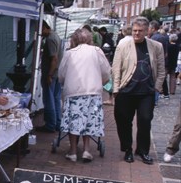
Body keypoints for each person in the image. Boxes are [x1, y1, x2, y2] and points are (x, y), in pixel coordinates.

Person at [112, 16, 166, 164]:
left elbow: (161, 70)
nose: (136, 34)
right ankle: (127, 149)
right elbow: (116, 68)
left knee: (145, 120)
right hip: (126, 91)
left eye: (140, 31)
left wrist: (157, 87)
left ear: (147, 31)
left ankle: (142, 150)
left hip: (146, 92)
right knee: (123, 120)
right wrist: (115, 90)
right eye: (134, 30)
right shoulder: (123, 45)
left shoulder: (156, 46)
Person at [58, 28, 111, 162]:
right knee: (88, 120)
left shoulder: (69, 53)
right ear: (89, 39)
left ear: (74, 40)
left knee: (73, 121)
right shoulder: (97, 51)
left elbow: (61, 74)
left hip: (74, 92)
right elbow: (106, 71)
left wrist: (64, 81)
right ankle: (87, 150)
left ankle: (73, 151)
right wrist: (101, 81)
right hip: (92, 91)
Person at [37, 20, 62, 133]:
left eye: (40, 30)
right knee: (56, 99)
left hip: (52, 73)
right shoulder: (56, 36)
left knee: (49, 99)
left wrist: (49, 75)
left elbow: (54, 58)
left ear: (45, 28)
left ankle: (51, 124)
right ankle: (57, 123)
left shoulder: (50, 39)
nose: (40, 33)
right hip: (57, 73)